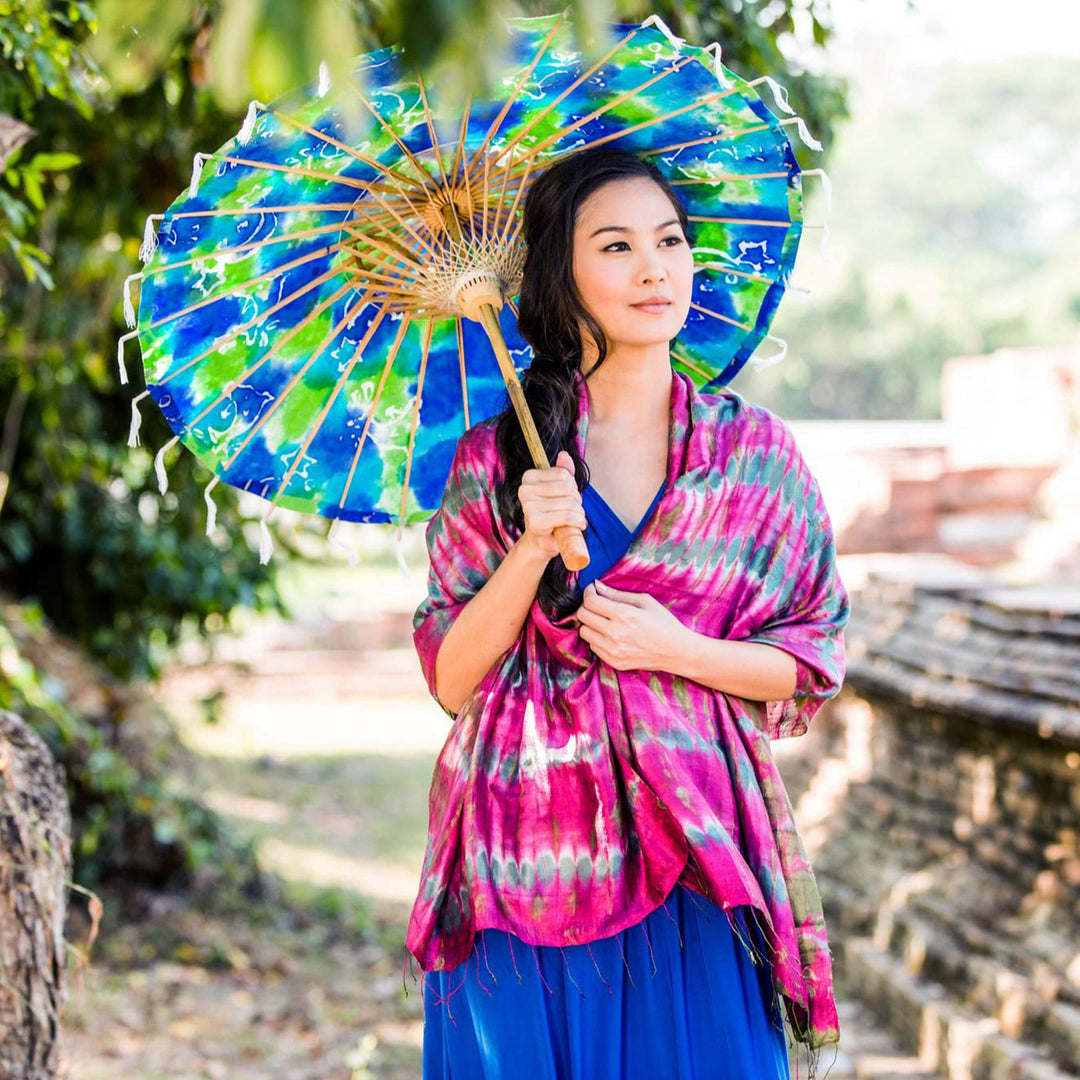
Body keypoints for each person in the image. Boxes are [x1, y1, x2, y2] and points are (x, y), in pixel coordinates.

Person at [406, 145, 850, 1079]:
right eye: (616, 246)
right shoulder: (495, 461)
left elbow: (811, 659)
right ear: (560, 277)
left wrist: (678, 648)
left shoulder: (752, 455)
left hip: (696, 850)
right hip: (526, 854)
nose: (655, 268)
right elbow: (451, 679)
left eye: (670, 240)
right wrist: (531, 546)